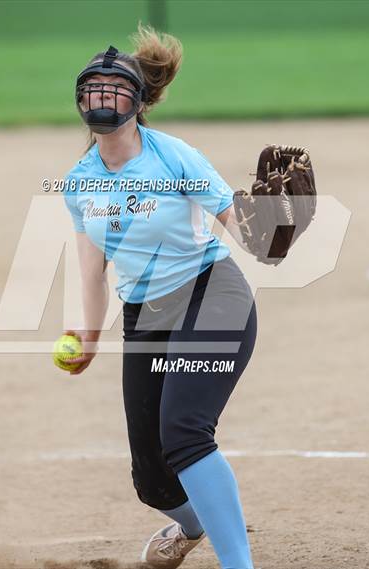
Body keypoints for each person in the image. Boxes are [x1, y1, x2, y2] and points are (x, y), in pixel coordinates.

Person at [62, 24, 257, 569]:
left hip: (210, 295)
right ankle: (193, 525)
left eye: (115, 87)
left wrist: (272, 234)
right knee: (151, 475)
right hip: (145, 315)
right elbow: (93, 272)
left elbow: (236, 224)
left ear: (138, 100)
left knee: (185, 432)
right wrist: (90, 334)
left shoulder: (174, 157)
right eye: (94, 87)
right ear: (81, 100)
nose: (103, 96)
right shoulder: (79, 183)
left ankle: (237, 563)